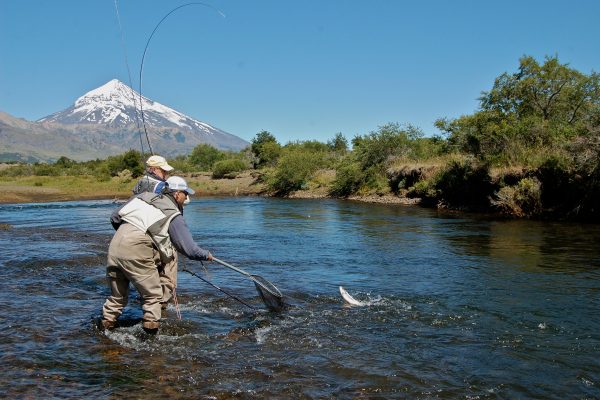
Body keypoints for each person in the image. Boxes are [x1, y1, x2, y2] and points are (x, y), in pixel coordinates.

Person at [101, 176, 213, 333]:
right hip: (136, 248)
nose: (187, 197)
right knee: (153, 296)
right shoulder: (172, 213)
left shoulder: (143, 197)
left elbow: (115, 217)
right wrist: (206, 255)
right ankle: (151, 343)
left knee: (117, 297)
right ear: (176, 194)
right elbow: (189, 249)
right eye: (185, 193)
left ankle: (106, 330)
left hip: (115, 246)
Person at [132, 155, 178, 310]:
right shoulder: (162, 186)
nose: (166, 174)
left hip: (138, 232)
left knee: (150, 268)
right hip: (156, 232)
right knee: (168, 263)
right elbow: (168, 210)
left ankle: (148, 299)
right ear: (154, 169)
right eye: (164, 170)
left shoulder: (139, 184)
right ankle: (162, 302)